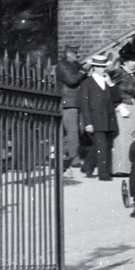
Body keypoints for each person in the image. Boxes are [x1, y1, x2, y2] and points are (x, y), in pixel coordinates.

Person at [79, 52, 118, 182]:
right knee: (101, 145)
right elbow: (84, 105)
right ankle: (103, 173)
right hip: (95, 119)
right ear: (94, 67)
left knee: (103, 145)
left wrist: (111, 84)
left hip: (108, 118)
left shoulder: (107, 81)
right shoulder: (87, 83)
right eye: (100, 67)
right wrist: (88, 123)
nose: (102, 69)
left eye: (104, 67)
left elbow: (116, 98)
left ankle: (87, 166)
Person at [112, 37, 135, 177]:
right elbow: (112, 91)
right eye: (131, 61)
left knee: (134, 138)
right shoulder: (118, 73)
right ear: (125, 61)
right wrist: (118, 105)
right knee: (122, 139)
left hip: (134, 108)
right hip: (122, 108)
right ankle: (120, 168)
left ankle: (132, 167)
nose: (134, 63)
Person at [57, 47, 86, 175]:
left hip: (75, 101)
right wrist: (83, 71)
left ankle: (61, 154)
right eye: (76, 53)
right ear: (68, 54)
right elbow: (71, 80)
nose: (78, 56)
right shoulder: (62, 65)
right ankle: (74, 159)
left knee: (77, 130)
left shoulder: (74, 65)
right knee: (73, 131)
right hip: (68, 102)